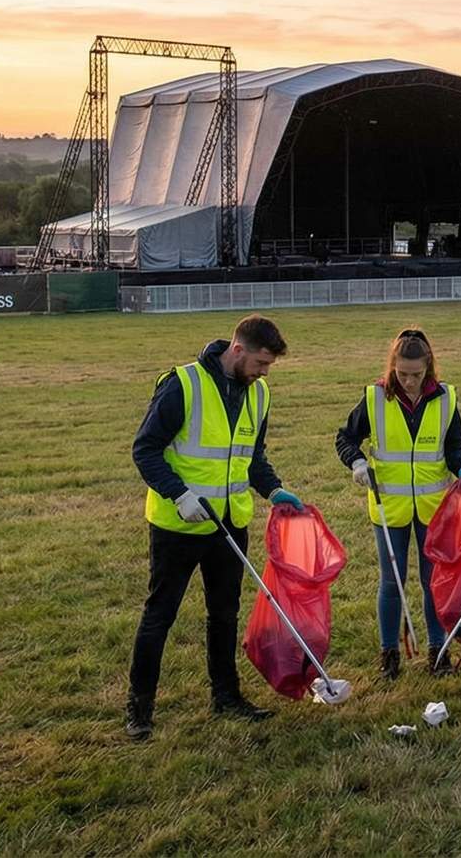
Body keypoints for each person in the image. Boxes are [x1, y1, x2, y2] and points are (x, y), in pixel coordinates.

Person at [125, 314, 302, 741]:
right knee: (160, 615)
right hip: (178, 526)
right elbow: (145, 449)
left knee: (224, 614)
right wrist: (179, 495)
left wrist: (273, 489)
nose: (264, 372)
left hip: (230, 524)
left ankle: (226, 697)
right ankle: (139, 709)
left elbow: (251, 456)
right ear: (237, 350)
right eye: (261, 363)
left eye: (269, 366)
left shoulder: (259, 393)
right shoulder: (182, 385)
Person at [335, 328, 461, 679]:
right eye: (402, 374)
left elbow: (453, 447)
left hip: (433, 506)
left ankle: (438, 651)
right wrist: (356, 462)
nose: (409, 382)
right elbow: (346, 438)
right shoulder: (374, 398)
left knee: (433, 581)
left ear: (429, 368)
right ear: (392, 367)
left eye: (416, 374)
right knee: (391, 581)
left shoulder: (446, 398)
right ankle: (390, 654)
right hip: (389, 506)